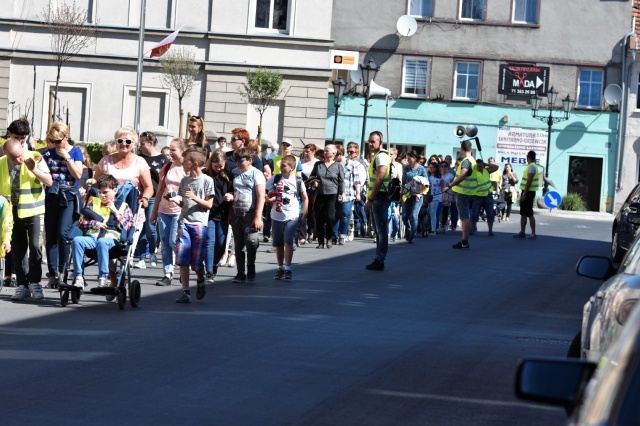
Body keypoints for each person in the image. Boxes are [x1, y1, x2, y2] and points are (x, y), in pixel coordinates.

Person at [0, 137, 52, 300]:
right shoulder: (1, 163)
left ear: (22, 148)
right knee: (18, 248)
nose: (18, 159)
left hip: (34, 209)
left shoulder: (35, 156)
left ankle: (35, 282)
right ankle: (22, 285)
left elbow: (49, 181)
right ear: (5, 153)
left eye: (19, 155)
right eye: (13, 157)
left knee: (36, 246)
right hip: (12, 212)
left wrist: (34, 169)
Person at [72, 174, 134, 289]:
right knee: (77, 240)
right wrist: (94, 223)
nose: (102, 195)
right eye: (100, 192)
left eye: (105, 192)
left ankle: (103, 278)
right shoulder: (93, 203)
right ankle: (79, 277)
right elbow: (82, 223)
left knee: (102, 242)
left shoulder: (123, 206)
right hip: (93, 236)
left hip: (112, 239)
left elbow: (128, 226)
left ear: (115, 190)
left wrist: (116, 212)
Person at [43, 122, 85, 287]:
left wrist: (67, 158)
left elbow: (78, 174)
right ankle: (53, 274)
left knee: (63, 234)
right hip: (52, 196)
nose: (56, 145)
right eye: (53, 141)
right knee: (51, 236)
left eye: (58, 141)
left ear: (66, 137)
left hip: (69, 197)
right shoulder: (48, 153)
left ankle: (63, 271)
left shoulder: (75, 152)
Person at [170, 148, 214, 303]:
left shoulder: (207, 180)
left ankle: (200, 278)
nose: (183, 163)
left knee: (196, 262)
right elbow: (183, 202)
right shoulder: (185, 180)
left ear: (195, 163)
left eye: (186, 160)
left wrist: (195, 197)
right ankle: (185, 291)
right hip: (184, 222)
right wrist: (175, 200)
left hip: (199, 224)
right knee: (182, 257)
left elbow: (209, 205)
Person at [150, 138, 187, 286]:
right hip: (164, 210)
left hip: (179, 209)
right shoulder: (166, 168)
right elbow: (159, 190)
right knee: (165, 242)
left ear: (182, 151)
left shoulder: (187, 169)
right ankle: (167, 272)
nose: (170, 152)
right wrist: (154, 212)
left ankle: (183, 269)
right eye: (170, 149)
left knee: (174, 241)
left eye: (173, 149)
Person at [266, 155, 308, 280]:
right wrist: (268, 199)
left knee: (288, 241)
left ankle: (288, 268)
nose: (281, 168)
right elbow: (264, 192)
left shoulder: (298, 181)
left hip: (292, 215)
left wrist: (304, 215)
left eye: (284, 165)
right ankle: (280, 267)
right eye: (281, 165)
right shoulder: (275, 178)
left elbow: (305, 198)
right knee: (278, 243)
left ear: (292, 167)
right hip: (276, 215)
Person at [229, 147, 265, 283]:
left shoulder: (257, 174)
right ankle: (240, 272)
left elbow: (261, 196)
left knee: (251, 241)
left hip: (251, 213)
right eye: (235, 160)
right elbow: (231, 190)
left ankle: (251, 264)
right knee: (238, 244)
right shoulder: (234, 172)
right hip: (236, 213)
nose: (237, 162)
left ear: (250, 160)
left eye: (240, 160)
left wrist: (258, 216)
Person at [136, 131, 168, 269]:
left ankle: (153, 250)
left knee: (150, 227)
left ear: (151, 143)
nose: (141, 146)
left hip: (155, 197)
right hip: (140, 195)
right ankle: (142, 257)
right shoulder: (139, 158)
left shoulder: (162, 159)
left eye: (143, 143)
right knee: (140, 228)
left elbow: (166, 179)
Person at [203, 151, 234, 283]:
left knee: (221, 243)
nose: (218, 169)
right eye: (216, 166)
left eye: (220, 166)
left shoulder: (229, 174)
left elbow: (233, 190)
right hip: (208, 212)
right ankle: (209, 270)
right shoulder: (206, 174)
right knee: (210, 241)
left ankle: (214, 264)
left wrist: (231, 195)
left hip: (223, 212)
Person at [364, 131, 391, 271]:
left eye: (373, 141)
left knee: (381, 231)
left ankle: (380, 259)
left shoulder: (381, 157)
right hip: (378, 197)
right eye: (369, 141)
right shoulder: (378, 156)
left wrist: (370, 199)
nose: (370, 143)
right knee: (379, 230)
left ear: (380, 142)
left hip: (379, 197)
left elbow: (379, 179)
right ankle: (378, 257)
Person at [308, 144, 344, 249]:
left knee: (330, 217)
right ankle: (320, 241)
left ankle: (329, 238)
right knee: (319, 218)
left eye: (327, 151)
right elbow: (311, 177)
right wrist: (314, 182)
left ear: (333, 153)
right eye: (324, 151)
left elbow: (341, 181)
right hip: (319, 194)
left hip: (332, 194)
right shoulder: (318, 164)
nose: (325, 152)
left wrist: (342, 193)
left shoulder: (338, 166)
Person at [443, 140, 477, 250]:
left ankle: (464, 241)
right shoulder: (473, 160)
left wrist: (450, 185)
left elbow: (462, 175)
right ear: (471, 149)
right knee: (465, 216)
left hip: (463, 193)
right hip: (469, 192)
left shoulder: (466, 161)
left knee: (464, 217)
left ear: (462, 149)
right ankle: (464, 240)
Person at [332, 144, 362, 245]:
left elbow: (356, 180)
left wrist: (358, 193)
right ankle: (334, 235)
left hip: (349, 193)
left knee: (345, 214)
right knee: (334, 215)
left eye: (335, 155)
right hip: (334, 193)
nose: (334, 157)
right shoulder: (332, 164)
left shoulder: (350, 164)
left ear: (340, 154)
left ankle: (342, 234)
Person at [402, 151, 428, 243]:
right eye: (406, 158)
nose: (407, 160)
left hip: (418, 195)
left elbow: (427, 183)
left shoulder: (421, 169)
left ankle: (412, 235)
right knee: (404, 217)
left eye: (409, 158)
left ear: (415, 158)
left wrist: (421, 193)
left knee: (414, 215)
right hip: (407, 194)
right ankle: (409, 228)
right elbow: (403, 181)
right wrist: (402, 194)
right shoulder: (406, 168)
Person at [514, 150, 540, 240]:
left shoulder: (532, 167)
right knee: (523, 213)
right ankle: (522, 232)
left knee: (529, 213)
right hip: (527, 191)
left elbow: (529, 181)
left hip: (528, 192)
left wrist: (524, 194)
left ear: (528, 157)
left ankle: (533, 233)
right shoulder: (532, 166)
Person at [471, 159, 499, 236]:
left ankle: (490, 230)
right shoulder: (474, 173)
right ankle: (472, 229)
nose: (479, 167)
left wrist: (486, 164)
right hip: (478, 196)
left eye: (481, 166)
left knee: (490, 213)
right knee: (474, 213)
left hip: (488, 195)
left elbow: (496, 167)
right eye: (478, 166)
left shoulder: (486, 170)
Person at [346, 142, 368, 238]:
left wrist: (359, 188)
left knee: (359, 208)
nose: (350, 154)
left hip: (359, 188)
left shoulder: (361, 163)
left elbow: (364, 178)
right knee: (349, 211)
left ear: (357, 152)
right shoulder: (345, 162)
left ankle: (362, 223)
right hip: (348, 189)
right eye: (348, 151)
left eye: (352, 151)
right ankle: (350, 228)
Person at [426, 161, 444, 235]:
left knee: (433, 213)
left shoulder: (440, 177)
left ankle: (433, 229)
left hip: (436, 197)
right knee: (427, 212)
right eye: (429, 167)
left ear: (436, 168)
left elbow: (443, 188)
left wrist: (443, 197)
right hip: (427, 196)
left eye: (432, 167)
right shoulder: (427, 176)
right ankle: (426, 227)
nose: (430, 169)